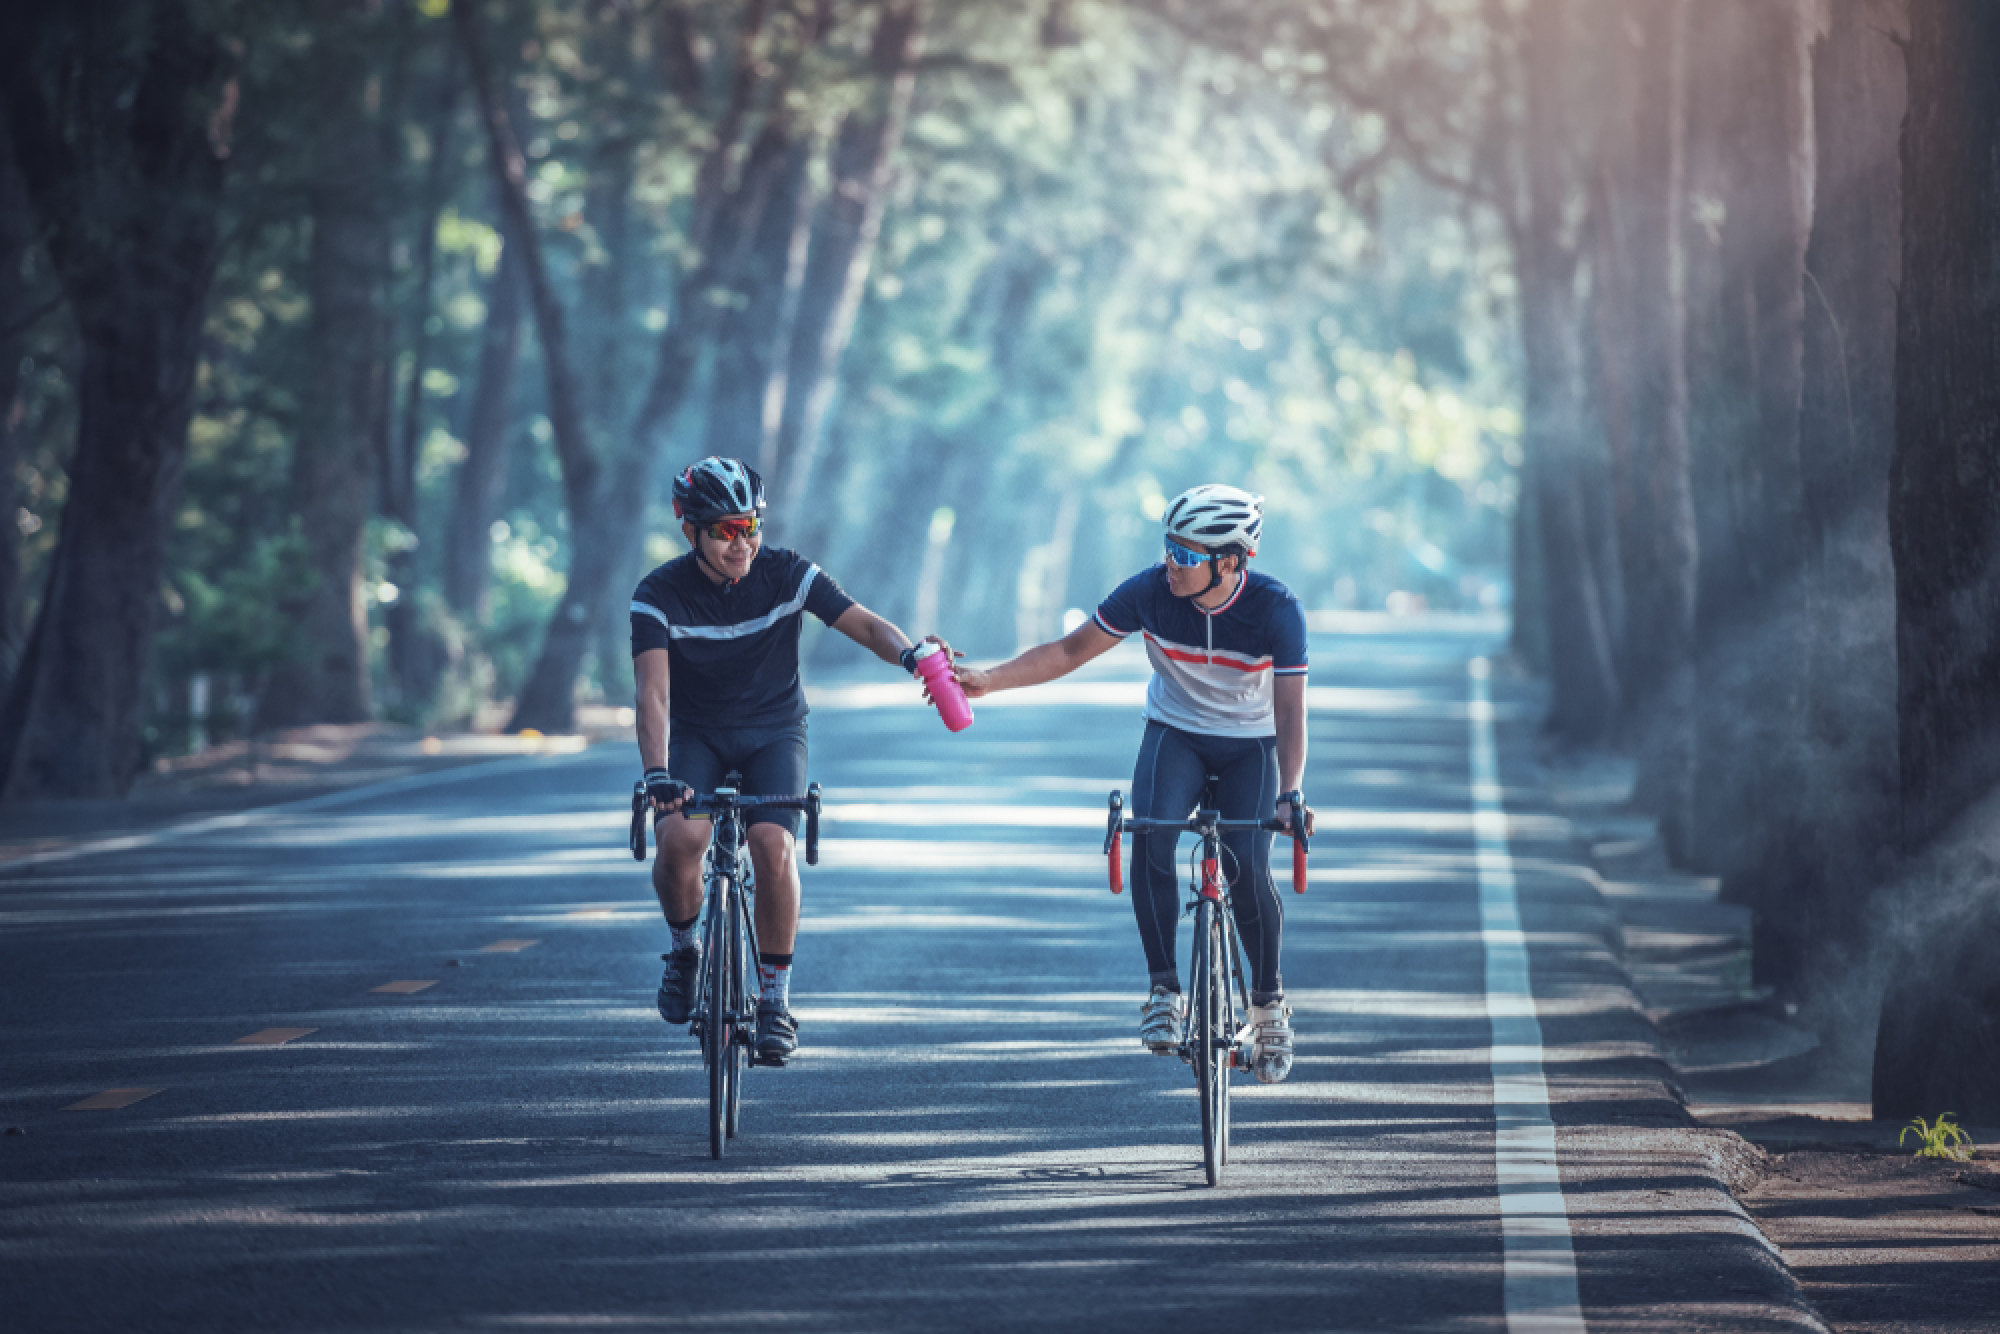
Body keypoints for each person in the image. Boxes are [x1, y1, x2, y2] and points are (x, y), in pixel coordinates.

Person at [947, 484, 1313, 1084]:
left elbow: (1292, 714)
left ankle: (1269, 1004)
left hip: (1253, 745)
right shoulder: (1150, 591)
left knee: (1248, 864)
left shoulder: (1276, 609)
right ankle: (1166, 990)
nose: (1172, 563)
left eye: (1188, 556)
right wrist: (990, 680)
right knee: (1152, 837)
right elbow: (1069, 651)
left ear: (1230, 561)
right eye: (1169, 547)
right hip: (1178, 735)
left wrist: (1289, 792)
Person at [632, 456, 932, 1064]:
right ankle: (684, 950)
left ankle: (774, 1000)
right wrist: (658, 773)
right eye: (724, 530)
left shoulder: (788, 574)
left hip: (774, 731)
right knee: (680, 843)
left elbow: (868, 626)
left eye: (751, 527)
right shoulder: (658, 594)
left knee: (771, 846)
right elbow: (653, 694)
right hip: (698, 734)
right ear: (687, 527)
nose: (742, 543)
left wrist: (914, 656)